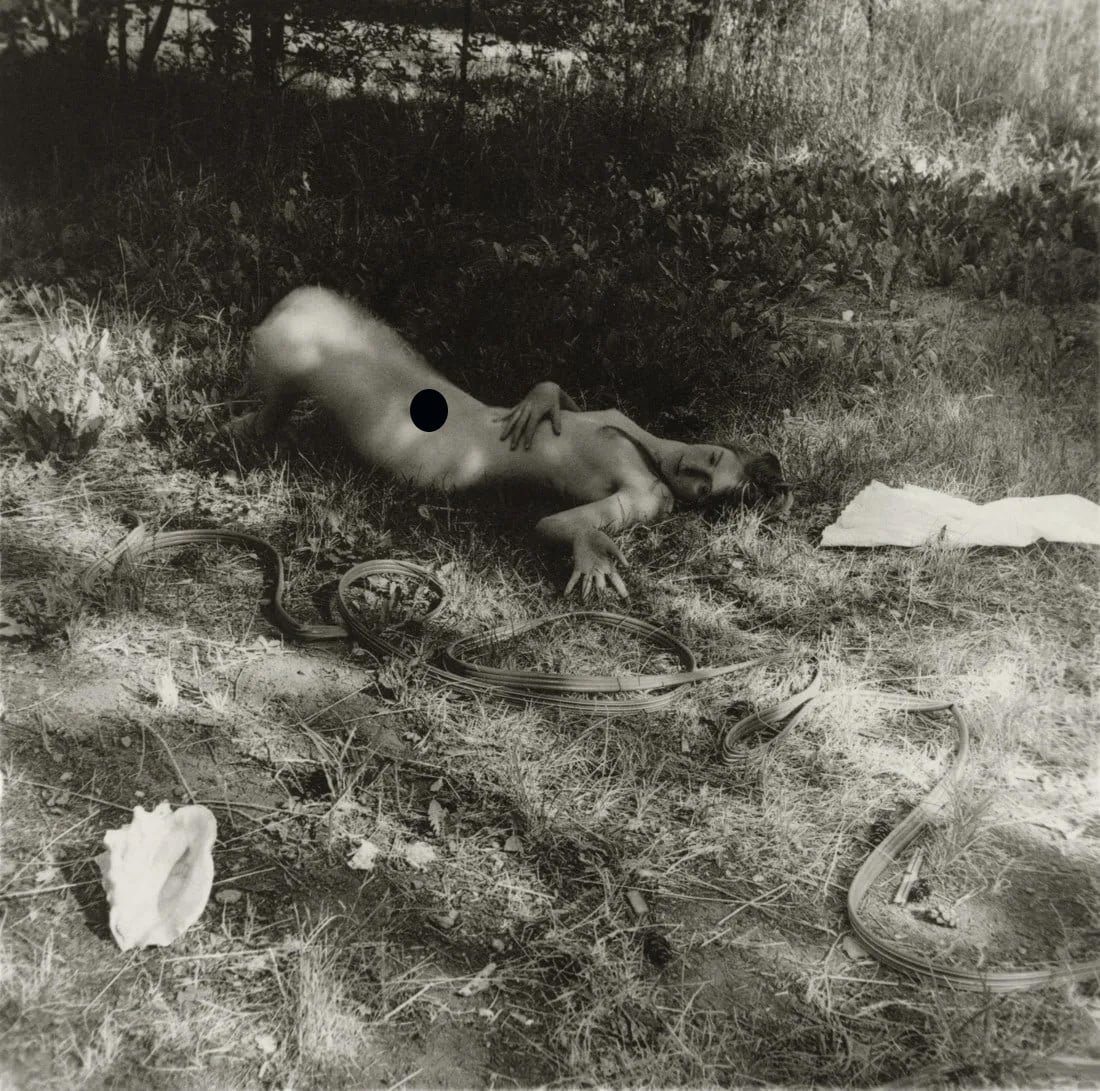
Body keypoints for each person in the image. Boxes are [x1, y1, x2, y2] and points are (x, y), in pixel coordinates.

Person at [238, 287, 790, 599]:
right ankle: (269, 421)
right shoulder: (655, 444)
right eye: (712, 458)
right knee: (313, 307)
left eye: (701, 487)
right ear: (719, 444)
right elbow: (580, 434)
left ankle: (264, 428)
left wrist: (586, 538)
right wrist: (550, 391)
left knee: (291, 337)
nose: (692, 468)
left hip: (437, 449)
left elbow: (554, 524)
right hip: (457, 410)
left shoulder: (647, 494)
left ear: (691, 502)